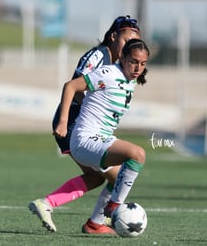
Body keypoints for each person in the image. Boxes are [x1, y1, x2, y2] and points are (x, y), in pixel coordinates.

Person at [28, 16, 142, 233]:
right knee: (115, 177)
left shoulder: (120, 67)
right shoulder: (99, 55)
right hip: (74, 125)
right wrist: (64, 121)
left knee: (99, 177)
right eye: (127, 40)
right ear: (113, 37)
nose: (131, 47)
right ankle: (95, 222)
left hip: (86, 127)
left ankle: (66, 212)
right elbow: (75, 86)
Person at [54, 38, 149, 234]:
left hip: (101, 139)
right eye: (133, 61)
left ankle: (95, 224)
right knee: (137, 154)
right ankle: (114, 208)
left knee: (118, 180)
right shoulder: (108, 74)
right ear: (122, 57)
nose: (138, 67)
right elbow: (71, 86)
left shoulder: (131, 79)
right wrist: (63, 121)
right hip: (85, 140)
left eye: (143, 63)